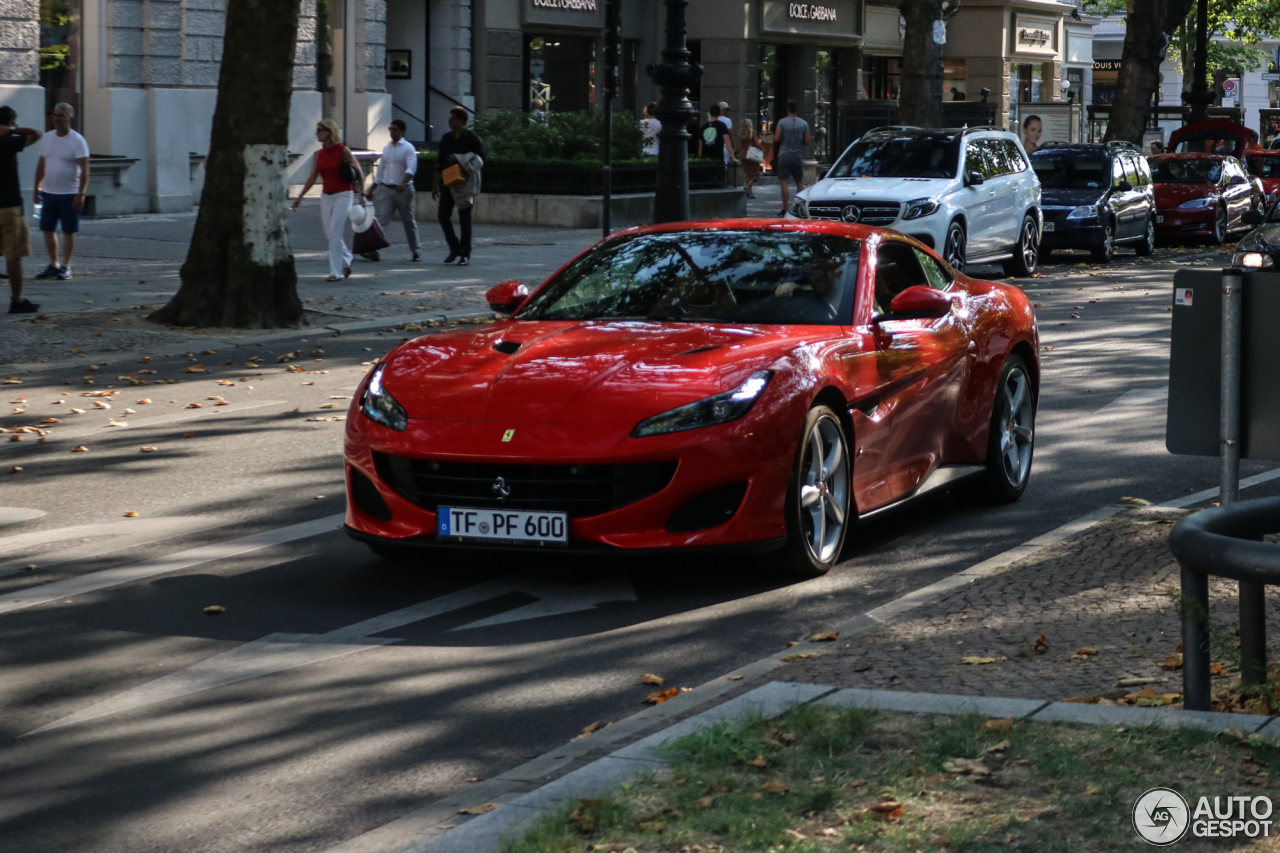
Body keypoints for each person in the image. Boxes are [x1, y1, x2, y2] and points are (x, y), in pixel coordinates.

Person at [290, 118, 366, 282]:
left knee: (334, 233)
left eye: (319, 130)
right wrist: (300, 197)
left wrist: (363, 194)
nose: (316, 134)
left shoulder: (342, 150)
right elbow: (312, 177)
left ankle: (335, 272)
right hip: (326, 196)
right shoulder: (319, 154)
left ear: (328, 132)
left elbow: (358, 171)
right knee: (330, 234)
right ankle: (347, 257)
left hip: (344, 194)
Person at [33, 102, 88, 281]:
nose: (57, 118)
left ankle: (67, 266)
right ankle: (54, 264)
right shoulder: (47, 138)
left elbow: (85, 168)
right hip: (49, 193)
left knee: (68, 231)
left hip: (70, 193)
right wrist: (36, 188)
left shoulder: (77, 140)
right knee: (47, 229)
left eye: (62, 116)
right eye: (55, 115)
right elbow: (42, 164)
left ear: (70, 118)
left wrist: (81, 193)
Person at [0, 106, 40, 313]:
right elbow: (36, 133)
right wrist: (11, 131)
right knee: (13, 256)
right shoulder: (10, 142)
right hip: (9, 206)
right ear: (11, 121)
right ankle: (17, 300)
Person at [433, 106, 484, 266]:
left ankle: (465, 254)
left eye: (453, 119)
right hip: (448, 182)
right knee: (442, 215)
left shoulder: (472, 138)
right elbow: (439, 163)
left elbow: (481, 159)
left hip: (464, 183)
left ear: (461, 121)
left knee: (464, 219)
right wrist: (435, 184)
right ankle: (455, 248)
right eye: (450, 118)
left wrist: (461, 159)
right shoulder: (446, 138)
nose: (450, 121)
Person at [365, 118, 420, 262]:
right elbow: (381, 170)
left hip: (404, 190)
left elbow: (411, 168)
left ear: (402, 132)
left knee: (408, 222)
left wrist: (403, 183)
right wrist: (372, 189)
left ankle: (416, 250)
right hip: (386, 189)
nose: (392, 132)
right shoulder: (387, 148)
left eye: (395, 129)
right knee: (382, 220)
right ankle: (373, 249)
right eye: (390, 129)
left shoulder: (408, 148)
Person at [774, 100, 809, 216]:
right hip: (797, 155)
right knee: (799, 181)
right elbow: (807, 140)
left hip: (784, 154)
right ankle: (801, 207)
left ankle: (785, 208)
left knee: (784, 181)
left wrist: (782, 139)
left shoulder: (782, 122)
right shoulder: (804, 123)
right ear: (796, 109)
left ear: (787, 109)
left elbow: (776, 138)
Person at [698, 104, 737, 168]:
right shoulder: (722, 125)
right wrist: (733, 157)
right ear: (719, 113)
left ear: (710, 113)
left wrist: (699, 159)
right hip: (718, 158)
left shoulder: (703, 127)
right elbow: (728, 143)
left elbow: (700, 146)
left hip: (705, 159)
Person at [736, 119, 762, 199]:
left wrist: (734, 153)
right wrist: (761, 150)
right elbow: (757, 143)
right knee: (756, 173)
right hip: (752, 155)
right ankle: (747, 187)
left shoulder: (741, 134)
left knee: (748, 175)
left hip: (744, 156)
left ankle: (750, 194)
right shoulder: (752, 132)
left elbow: (739, 147)